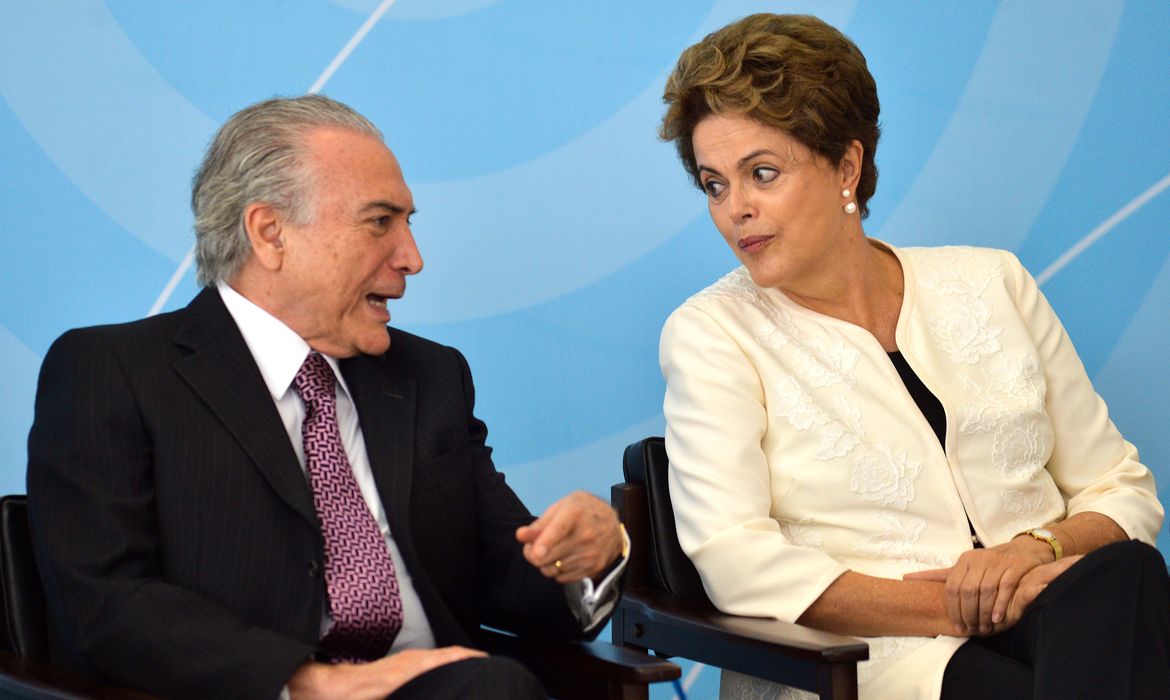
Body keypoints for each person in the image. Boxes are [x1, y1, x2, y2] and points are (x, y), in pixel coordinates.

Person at [26, 94, 626, 700]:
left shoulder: (430, 377)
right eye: (379, 222)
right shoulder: (115, 372)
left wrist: (591, 559)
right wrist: (311, 684)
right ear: (269, 233)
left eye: (408, 223)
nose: (412, 258)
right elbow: (106, 606)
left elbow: (515, 577)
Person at [656, 13, 1168, 700]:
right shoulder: (712, 333)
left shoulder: (993, 282)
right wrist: (965, 604)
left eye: (763, 173)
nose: (735, 210)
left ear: (847, 164)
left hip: (1056, 615)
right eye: (715, 184)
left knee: (1127, 571)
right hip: (870, 661)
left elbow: (1121, 490)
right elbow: (739, 563)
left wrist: (1034, 553)